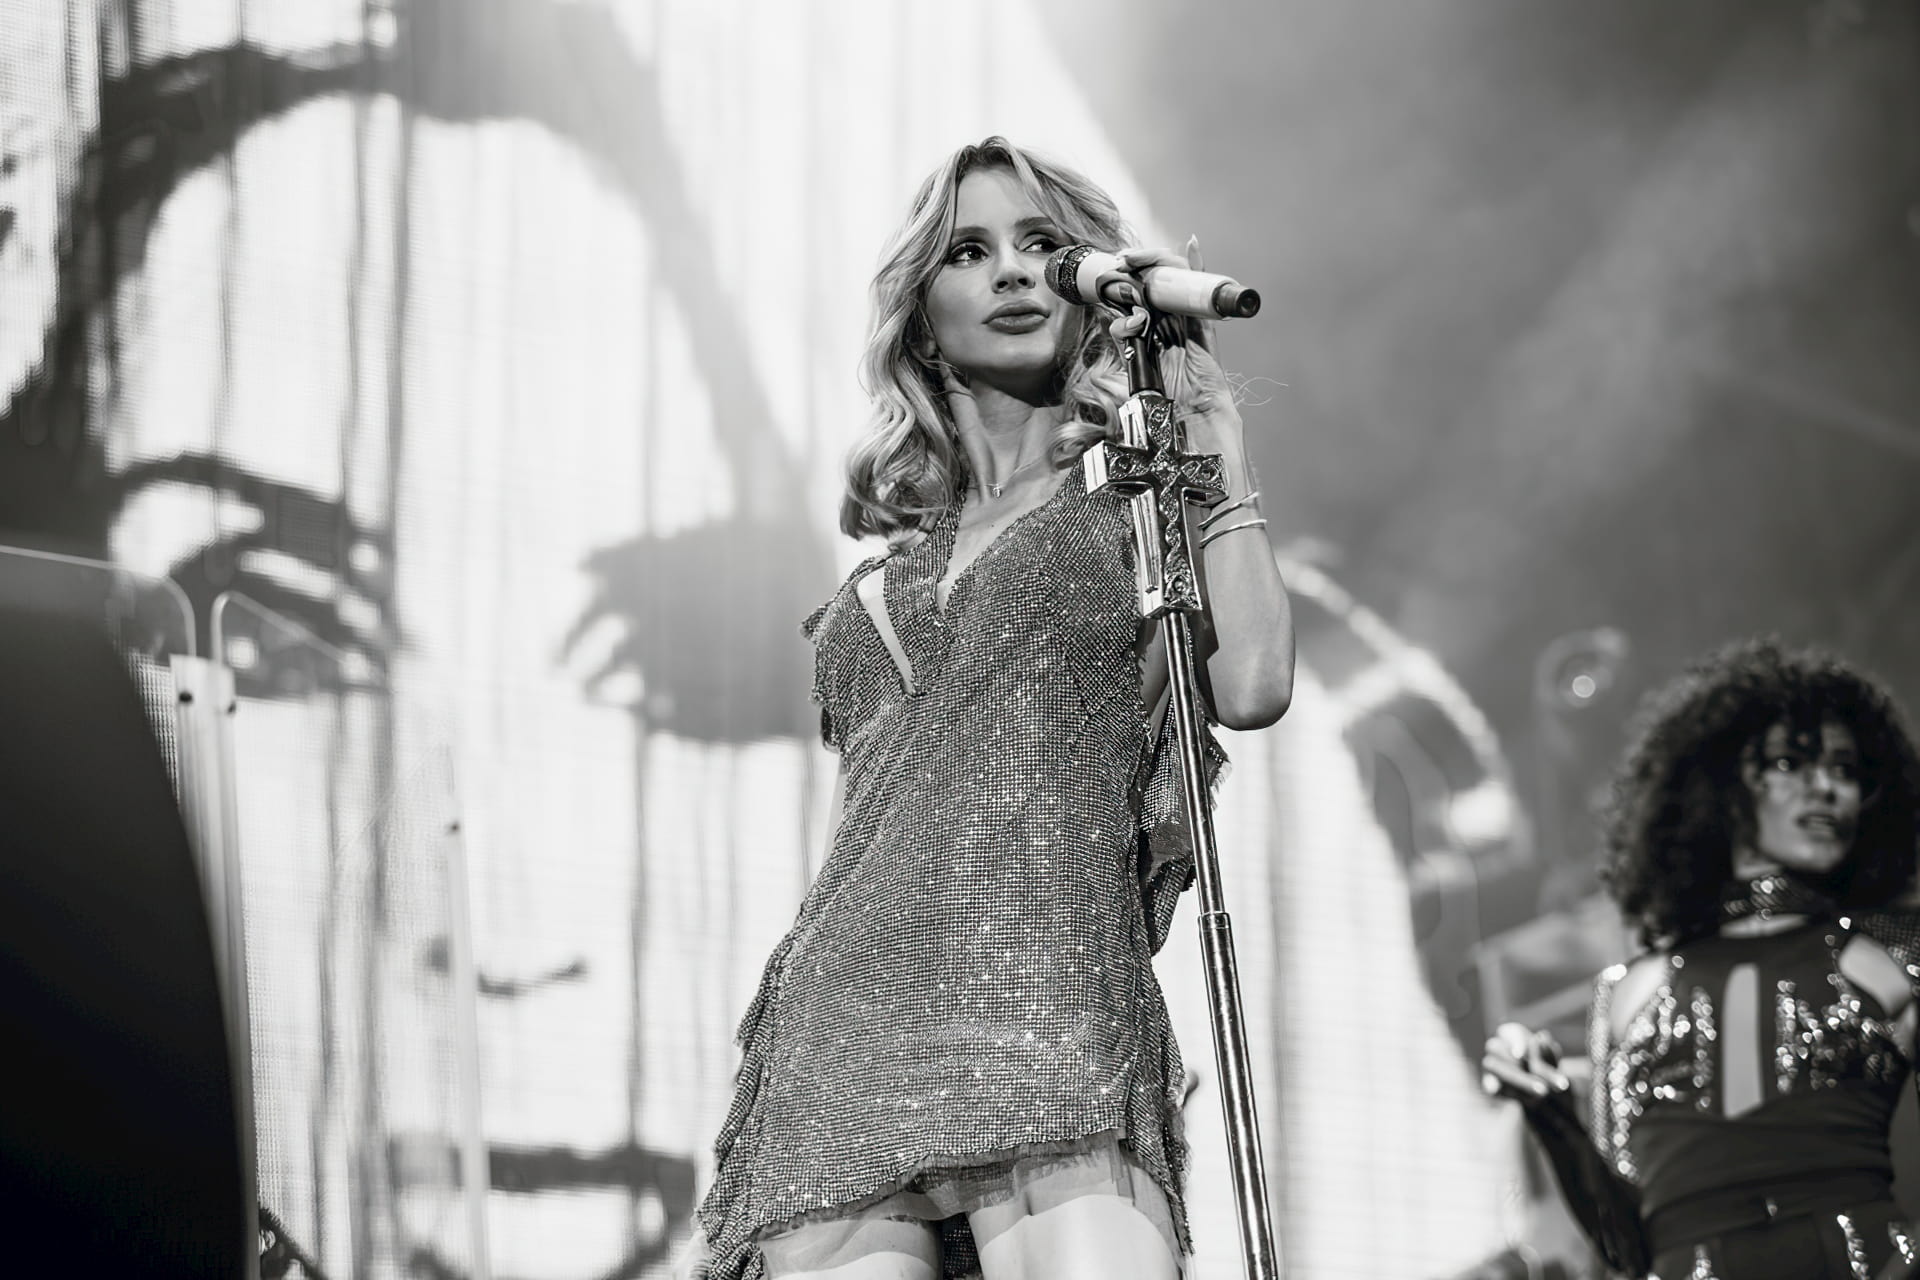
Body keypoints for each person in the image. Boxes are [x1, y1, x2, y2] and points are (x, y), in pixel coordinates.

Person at [675, 136, 1294, 1280]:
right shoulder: (882, 581)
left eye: (1042, 244)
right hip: (846, 1034)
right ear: (921, 317)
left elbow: (1252, 684)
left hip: (1052, 1010)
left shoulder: (1135, 502)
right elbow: (868, 827)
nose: (1013, 270)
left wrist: (1214, 432)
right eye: (970, 250)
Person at [1483, 638, 1920, 1279]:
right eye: (1790, 763)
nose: (1826, 788)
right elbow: (1629, 1251)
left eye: (1846, 769)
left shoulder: (1897, 952)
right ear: (1721, 785)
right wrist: (1554, 1120)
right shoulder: (1629, 992)